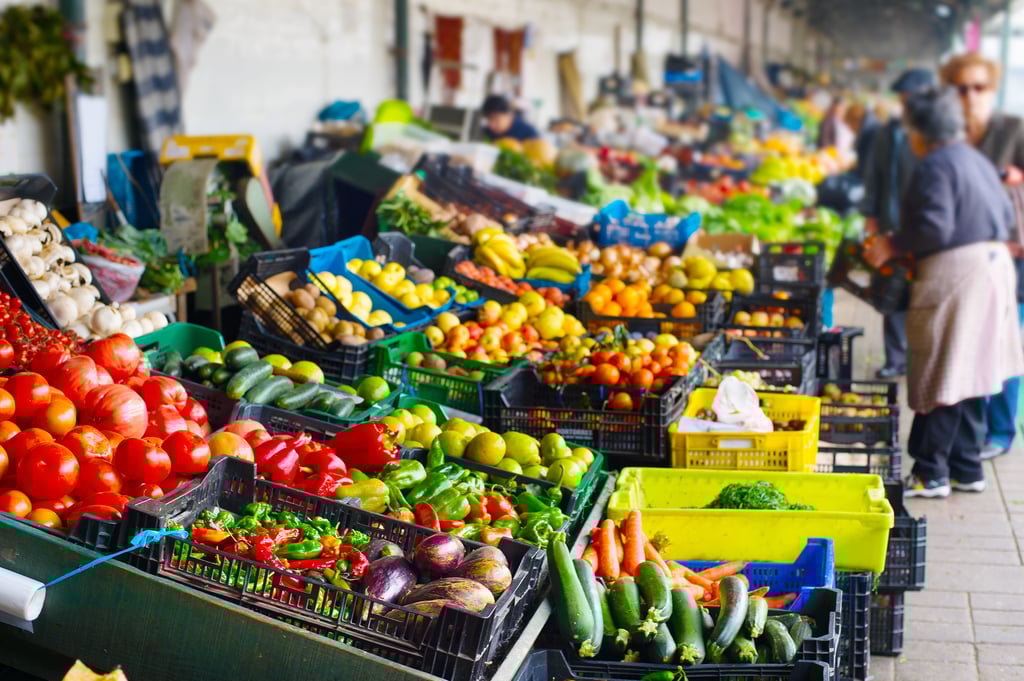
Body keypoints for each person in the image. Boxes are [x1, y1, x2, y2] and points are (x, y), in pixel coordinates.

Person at [863, 86, 1024, 498]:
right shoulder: (975, 160)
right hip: (993, 268)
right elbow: (1006, 215)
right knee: (973, 369)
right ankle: (966, 468)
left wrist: (892, 246)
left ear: (918, 130)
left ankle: (930, 471)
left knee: (941, 367)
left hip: (958, 272)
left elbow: (935, 228)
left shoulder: (935, 164)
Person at [941, 52, 1024, 460]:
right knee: (968, 344)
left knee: (1004, 345)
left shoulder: (1013, 129)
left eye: (979, 87)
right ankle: (967, 437)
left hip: (1010, 257)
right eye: (961, 88)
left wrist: (1018, 176)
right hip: (959, 258)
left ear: (991, 89)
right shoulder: (947, 134)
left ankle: (1001, 431)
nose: (970, 95)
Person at [861, 68, 936, 379]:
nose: (905, 106)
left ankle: (923, 358)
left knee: (923, 295)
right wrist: (871, 215)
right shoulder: (888, 132)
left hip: (923, 229)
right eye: (903, 100)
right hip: (892, 226)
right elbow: (874, 176)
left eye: (910, 99)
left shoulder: (936, 134)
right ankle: (895, 359)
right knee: (891, 291)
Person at [844, 101, 881, 180]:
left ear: (856, 120)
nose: (850, 129)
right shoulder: (872, 127)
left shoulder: (869, 133)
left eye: (849, 124)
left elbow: (866, 166)